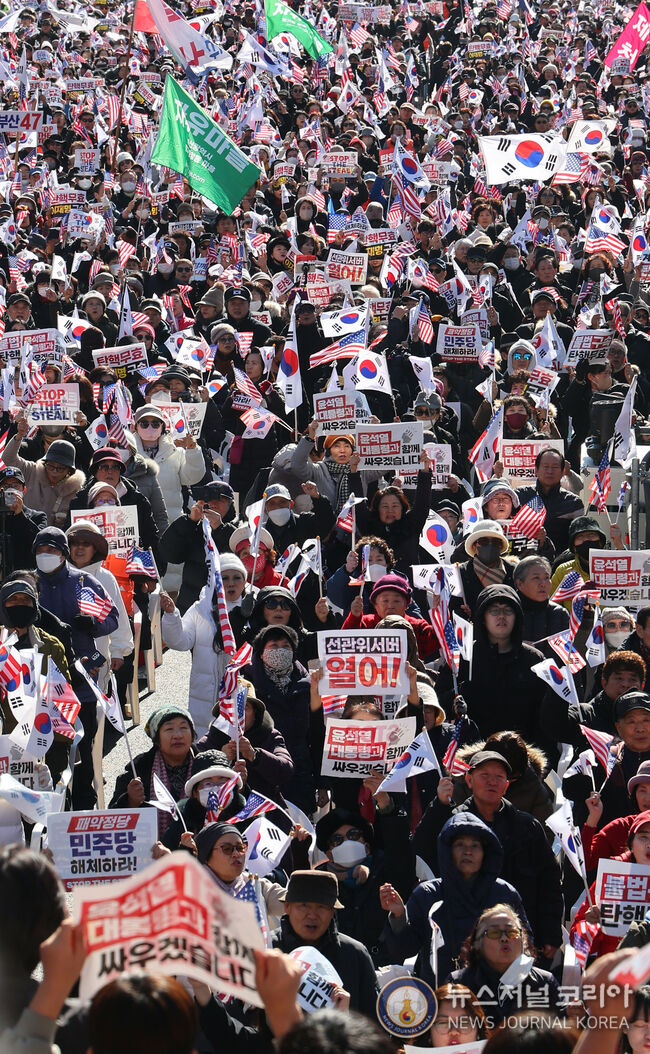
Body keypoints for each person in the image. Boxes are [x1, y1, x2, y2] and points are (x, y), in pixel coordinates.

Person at [412, 750, 564, 959]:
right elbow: (421, 850)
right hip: (461, 939)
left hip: (517, 939)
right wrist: (439, 805)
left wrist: (550, 935)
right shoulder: (453, 823)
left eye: (499, 776)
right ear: (469, 780)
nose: (492, 782)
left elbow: (549, 882)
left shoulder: (527, 827)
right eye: (485, 775)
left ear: (506, 785)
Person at [382, 812, 529, 985]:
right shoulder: (427, 894)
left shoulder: (505, 893)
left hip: (495, 992)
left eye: (475, 845)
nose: (468, 851)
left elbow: (525, 946)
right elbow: (404, 950)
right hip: (441, 993)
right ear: (448, 851)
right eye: (460, 845)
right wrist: (399, 916)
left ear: (486, 852)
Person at [34, 526, 119, 808]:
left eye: (51, 550)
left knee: (82, 752)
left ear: (63, 554)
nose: (45, 555)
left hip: (80, 682)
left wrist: (93, 623)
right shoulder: (28, 585)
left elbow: (113, 618)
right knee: (44, 755)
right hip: (38, 684)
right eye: (40, 550)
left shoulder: (84, 582)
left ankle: (83, 806)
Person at [437, 585, 547, 748]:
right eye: (494, 611)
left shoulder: (534, 659)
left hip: (523, 752)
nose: (501, 616)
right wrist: (457, 697)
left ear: (517, 616)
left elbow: (546, 715)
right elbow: (438, 703)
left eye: (508, 610)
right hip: (473, 750)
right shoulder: (463, 658)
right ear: (483, 617)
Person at [272, 869, 379, 1019]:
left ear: (332, 911)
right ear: (287, 907)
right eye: (304, 905)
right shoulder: (268, 949)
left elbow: (373, 1020)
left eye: (321, 907)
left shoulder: (355, 954)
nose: (312, 915)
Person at [450, 904, 564, 1027]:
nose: (504, 938)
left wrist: (574, 1016)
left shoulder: (544, 982)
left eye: (512, 932)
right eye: (494, 933)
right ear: (478, 943)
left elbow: (564, 1029)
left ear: (523, 941)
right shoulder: (459, 983)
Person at [198, 680, 294, 806]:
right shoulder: (210, 739)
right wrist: (221, 759)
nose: (238, 714)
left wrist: (254, 755)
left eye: (245, 707)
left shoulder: (270, 736)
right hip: (220, 810)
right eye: (231, 708)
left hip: (265, 809)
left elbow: (286, 771)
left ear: (255, 713)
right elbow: (195, 776)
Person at [571, 810, 650, 960]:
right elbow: (578, 943)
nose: (649, 844)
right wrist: (590, 926)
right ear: (631, 844)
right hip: (612, 966)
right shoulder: (611, 877)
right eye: (643, 837)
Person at [109, 705, 197, 836]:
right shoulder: (137, 772)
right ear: (157, 739)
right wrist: (130, 801)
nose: (178, 735)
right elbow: (111, 821)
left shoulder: (207, 767)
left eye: (183, 728)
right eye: (169, 729)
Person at [3, 426, 85, 528]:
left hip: (53, 537)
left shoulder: (76, 491)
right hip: (24, 531)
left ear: (71, 471)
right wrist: (19, 436)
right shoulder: (32, 470)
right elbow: (8, 459)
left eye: (60, 468)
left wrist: (66, 522)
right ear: (44, 463)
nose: (54, 471)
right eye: (50, 466)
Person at [515, 449, 584, 555]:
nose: (550, 471)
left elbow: (579, 538)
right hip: (523, 560)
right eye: (545, 466)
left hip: (560, 561)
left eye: (555, 467)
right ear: (536, 470)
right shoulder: (520, 495)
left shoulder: (573, 503)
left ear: (563, 471)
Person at [0, 465, 47, 576]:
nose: (11, 490)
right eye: (6, 486)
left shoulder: (37, 516)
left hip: (26, 578)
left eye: (15, 486)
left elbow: (39, 544)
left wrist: (19, 515)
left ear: (24, 489)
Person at [513, 556, 570, 647]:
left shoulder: (559, 614)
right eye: (536, 578)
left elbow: (566, 648)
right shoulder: (509, 611)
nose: (543, 583)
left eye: (547, 577)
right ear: (519, 583)